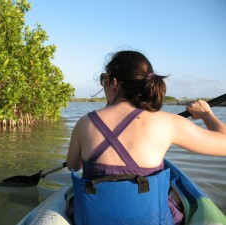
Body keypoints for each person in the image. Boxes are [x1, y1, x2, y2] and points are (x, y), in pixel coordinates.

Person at [66, 50, 226, 225]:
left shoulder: (85, 122)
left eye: (104, 80)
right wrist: (206, 114)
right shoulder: (169, 122)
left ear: (114, 83)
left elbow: (73, 166)